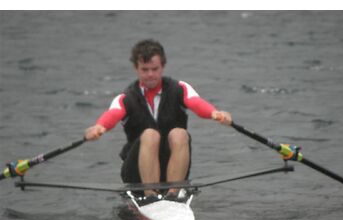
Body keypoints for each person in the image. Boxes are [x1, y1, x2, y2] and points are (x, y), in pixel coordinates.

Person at [84, 39, 232, 200]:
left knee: (179, 133)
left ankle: (172, 194)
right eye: (144, 69)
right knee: (150, 134)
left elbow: (196, 103)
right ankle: (150, 195)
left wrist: (215, 114)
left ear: (163, 66)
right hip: (136, 174)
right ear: (136, 68)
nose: (150, 74)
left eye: (155, 69)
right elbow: (112, 115)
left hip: (172, 170)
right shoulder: (126, 97)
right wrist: (99, 127)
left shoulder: (179, 88)